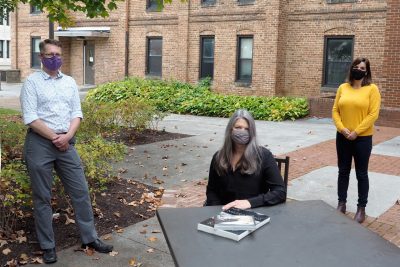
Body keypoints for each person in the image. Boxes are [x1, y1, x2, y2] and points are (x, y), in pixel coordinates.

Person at [20, 39, 113, 264]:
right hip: (40, 144)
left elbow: (76, 112)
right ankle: (48, 246)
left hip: (66, 142)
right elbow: (31, 117)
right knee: (42, 197)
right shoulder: (31, 82)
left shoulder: (69, 82)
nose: (55, 58)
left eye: (58, 54)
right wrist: (54, 138)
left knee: (80, 192)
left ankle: (90, 238)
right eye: (50, 54)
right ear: (41, 57)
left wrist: (68, 137)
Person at [205, 109, 286, 210]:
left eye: (247, 129)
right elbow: (212, 190)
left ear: (252, 132)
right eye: (238, 127)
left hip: (253, 213)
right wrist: (216, 210)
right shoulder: (218, 157)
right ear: (230, 129)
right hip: (223, 214)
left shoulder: (263, 156)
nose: (242, 131)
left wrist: (250, 203)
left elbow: (280, 192)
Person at [332, 57, 381, 224]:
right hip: (343, 137)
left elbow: (373, 114)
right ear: (351, 68)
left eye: (362, 68)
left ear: (366, 71)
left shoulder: (372, 89)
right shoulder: (342, 88)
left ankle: (361, 208)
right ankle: (341, 203)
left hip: (363, 139)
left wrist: (357, 132)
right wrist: (342, 129)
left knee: (361, 173)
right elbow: (335, 111)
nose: (358, 70)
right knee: (343, 171)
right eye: (356, 66)